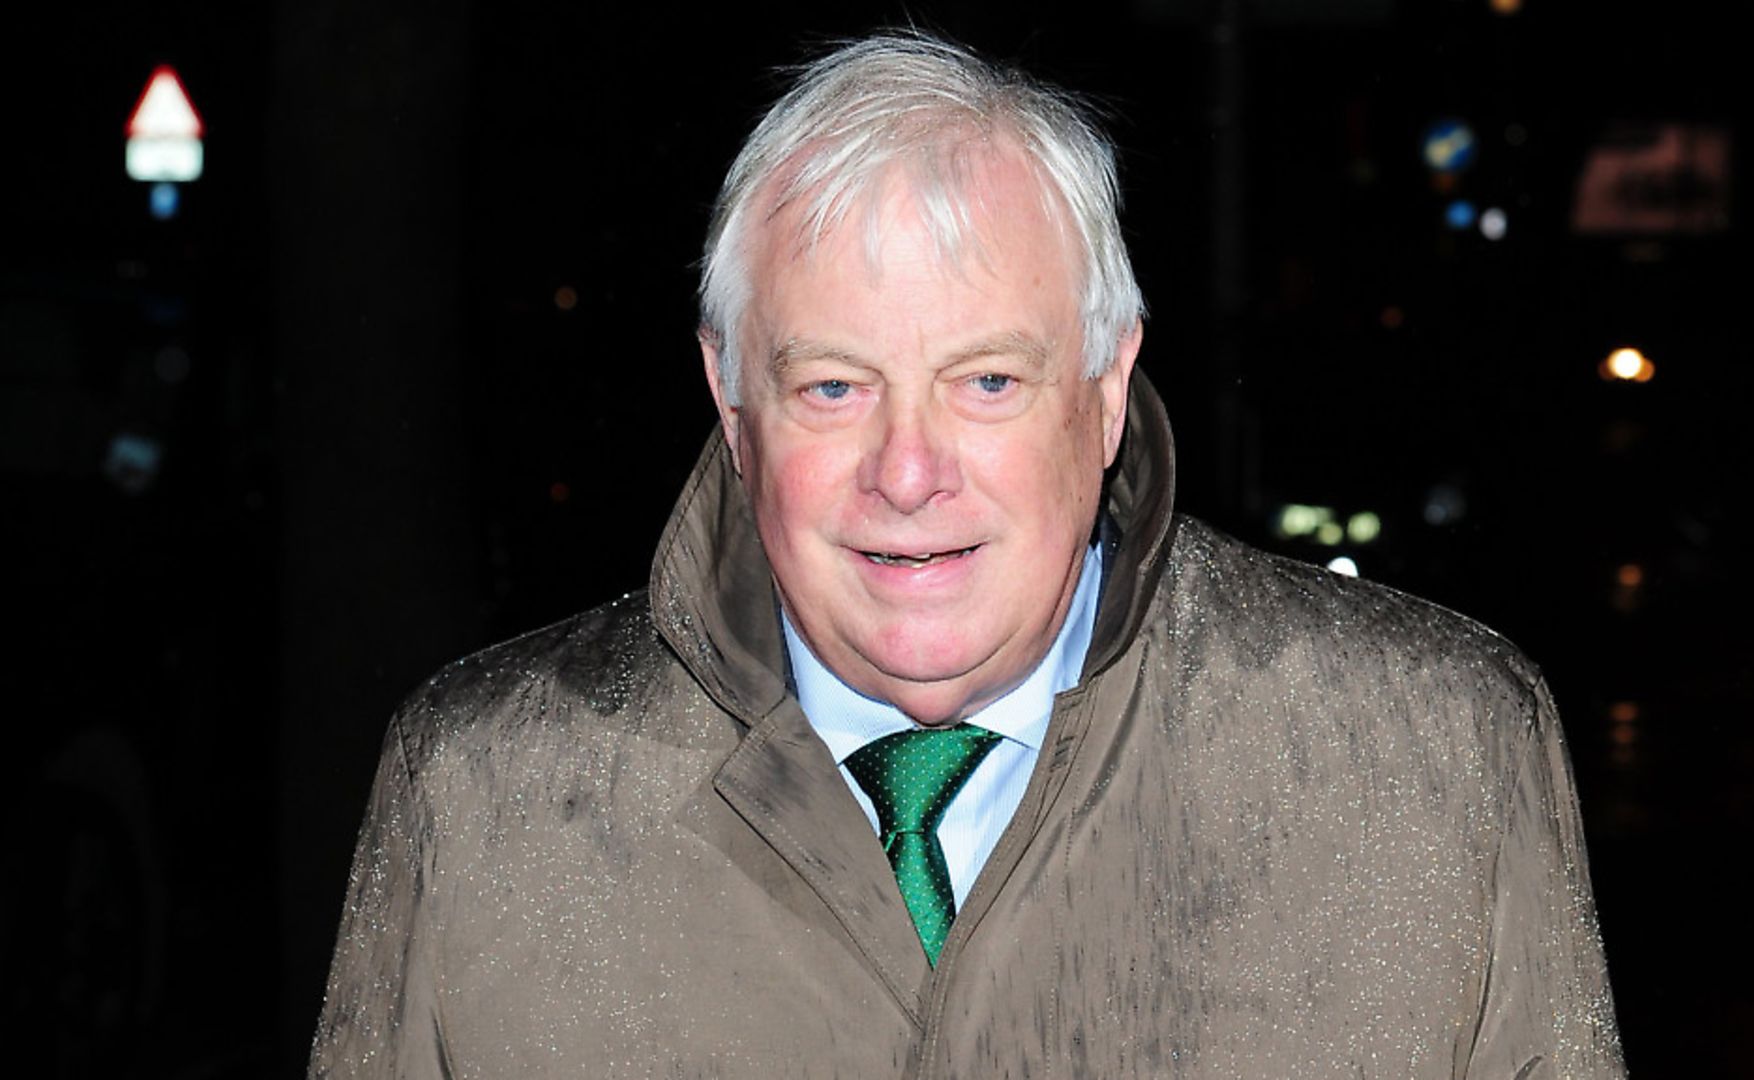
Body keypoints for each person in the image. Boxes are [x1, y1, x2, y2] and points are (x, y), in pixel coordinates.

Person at [309, 32, 1624, 1079]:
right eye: (833, 387)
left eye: (988, 380)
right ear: (731, 400)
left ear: (1107, 389)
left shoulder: (1432, 759)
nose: (907, 468)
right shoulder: (487, 796)